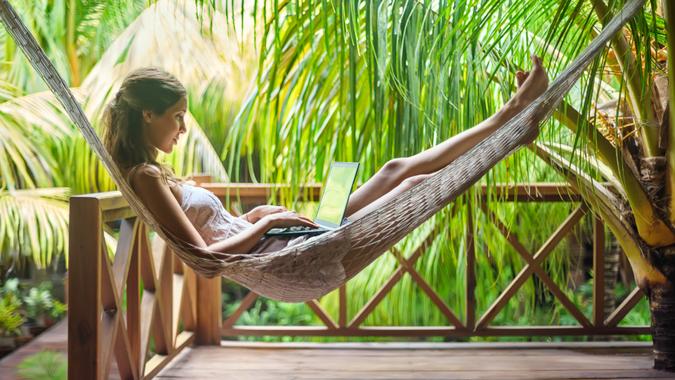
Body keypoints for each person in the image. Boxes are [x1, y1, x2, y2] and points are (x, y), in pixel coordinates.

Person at [103, 55, 548, 257]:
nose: (183, 128)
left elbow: (218, 230)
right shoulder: (146, 176)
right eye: (178, 117)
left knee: (395, 169)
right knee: (412, 184)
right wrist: (265, 224)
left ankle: (509, 117)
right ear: (147, 114)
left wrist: (258, 214)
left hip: (286, 239)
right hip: (285, 250)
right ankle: (510, 128)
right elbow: (205, 259)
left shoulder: (154, 172)